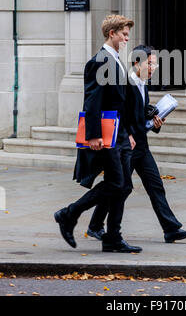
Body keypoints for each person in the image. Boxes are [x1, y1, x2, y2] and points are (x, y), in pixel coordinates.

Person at [86, 45, 186, 245]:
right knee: (118, 187)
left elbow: (139, 112)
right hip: (126, 146)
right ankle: (95, 226)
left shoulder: (142, 83)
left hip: (141, 145)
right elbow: (118, 112)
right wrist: (126, 134)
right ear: (137, 63)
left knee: (155, 185)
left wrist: (155, 120)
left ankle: (170, 228)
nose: (153, 68)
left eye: (155, 64)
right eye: (150, 63)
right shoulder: (125, 83)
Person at [54, 14, 143, 253]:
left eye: (127, 34)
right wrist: (93, 135)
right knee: (116, 183)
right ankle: (68, 214)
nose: (126, 38)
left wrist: (130, 133)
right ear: (111, 33)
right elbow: (93, 100)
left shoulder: (115, 60)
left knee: (123, 186)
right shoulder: (100, 61)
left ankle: (112, 237)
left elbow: (121, 102)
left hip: (120, 135)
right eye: (123, 34)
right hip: (105, 136)